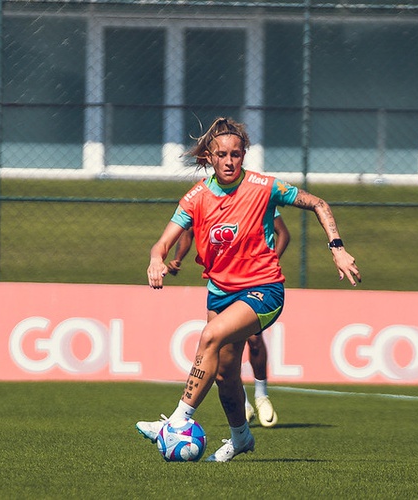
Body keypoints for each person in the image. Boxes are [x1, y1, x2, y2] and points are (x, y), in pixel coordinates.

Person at [136, 117, 361, 462]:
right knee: (226, 375)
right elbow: (161, 244)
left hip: (263, 290)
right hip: (220, 292)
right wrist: (156, 261)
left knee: (210, 335)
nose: (229, 161)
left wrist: (337, 247)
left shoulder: (264, 186)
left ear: (244, 155)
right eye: (222, 155)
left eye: (236, 154)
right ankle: (241, 438)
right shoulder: (196, 197)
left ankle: (178, 419)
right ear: (209, 157)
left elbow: (319, 203)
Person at [165, 208, 290, 428]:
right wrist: (177, 258)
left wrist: (269, 265)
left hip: (252, 285)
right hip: (221, 288)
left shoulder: (256, 198)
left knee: (253, 340)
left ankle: (262, 396)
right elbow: (188, 231)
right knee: (223, 353)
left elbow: (284, 233)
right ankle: (243, 410)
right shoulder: (204, 199)